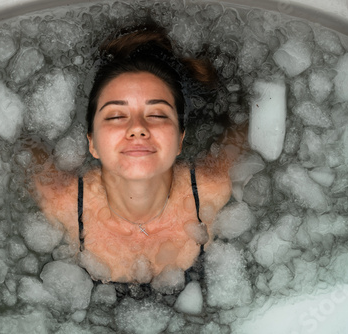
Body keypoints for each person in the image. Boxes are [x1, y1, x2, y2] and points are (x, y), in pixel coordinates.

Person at [28, 24, 242, 284]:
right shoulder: (62, 201)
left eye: (157, 114)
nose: (138, 128)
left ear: (180, 139)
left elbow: (250, 127)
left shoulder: (211, 189)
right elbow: (21, 146)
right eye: (117, 115)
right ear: (92, 142)